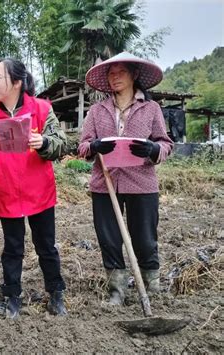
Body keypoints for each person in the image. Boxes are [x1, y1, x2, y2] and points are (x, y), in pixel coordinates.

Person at [0, 58, 68, 319]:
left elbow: (62, 144)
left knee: (46, 246)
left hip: (39, 191)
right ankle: (12, 296)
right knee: (12, 248)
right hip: (7, 190)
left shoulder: (42, 110)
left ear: (16, 82)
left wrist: (43, 141)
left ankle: (56, 294)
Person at [78, 52, 173, 305]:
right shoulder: (97, 111)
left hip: (141, 183)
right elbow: (83, 146)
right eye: (111, 73)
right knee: (108, 238)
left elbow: (165, 143)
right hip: (105, 183)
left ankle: (152, 288)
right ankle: (117, 291)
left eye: (120, 72)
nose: (115, 76)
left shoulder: (151, 109)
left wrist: (154, 150)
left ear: (133, 75)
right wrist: (95, 146)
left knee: (144, 238)